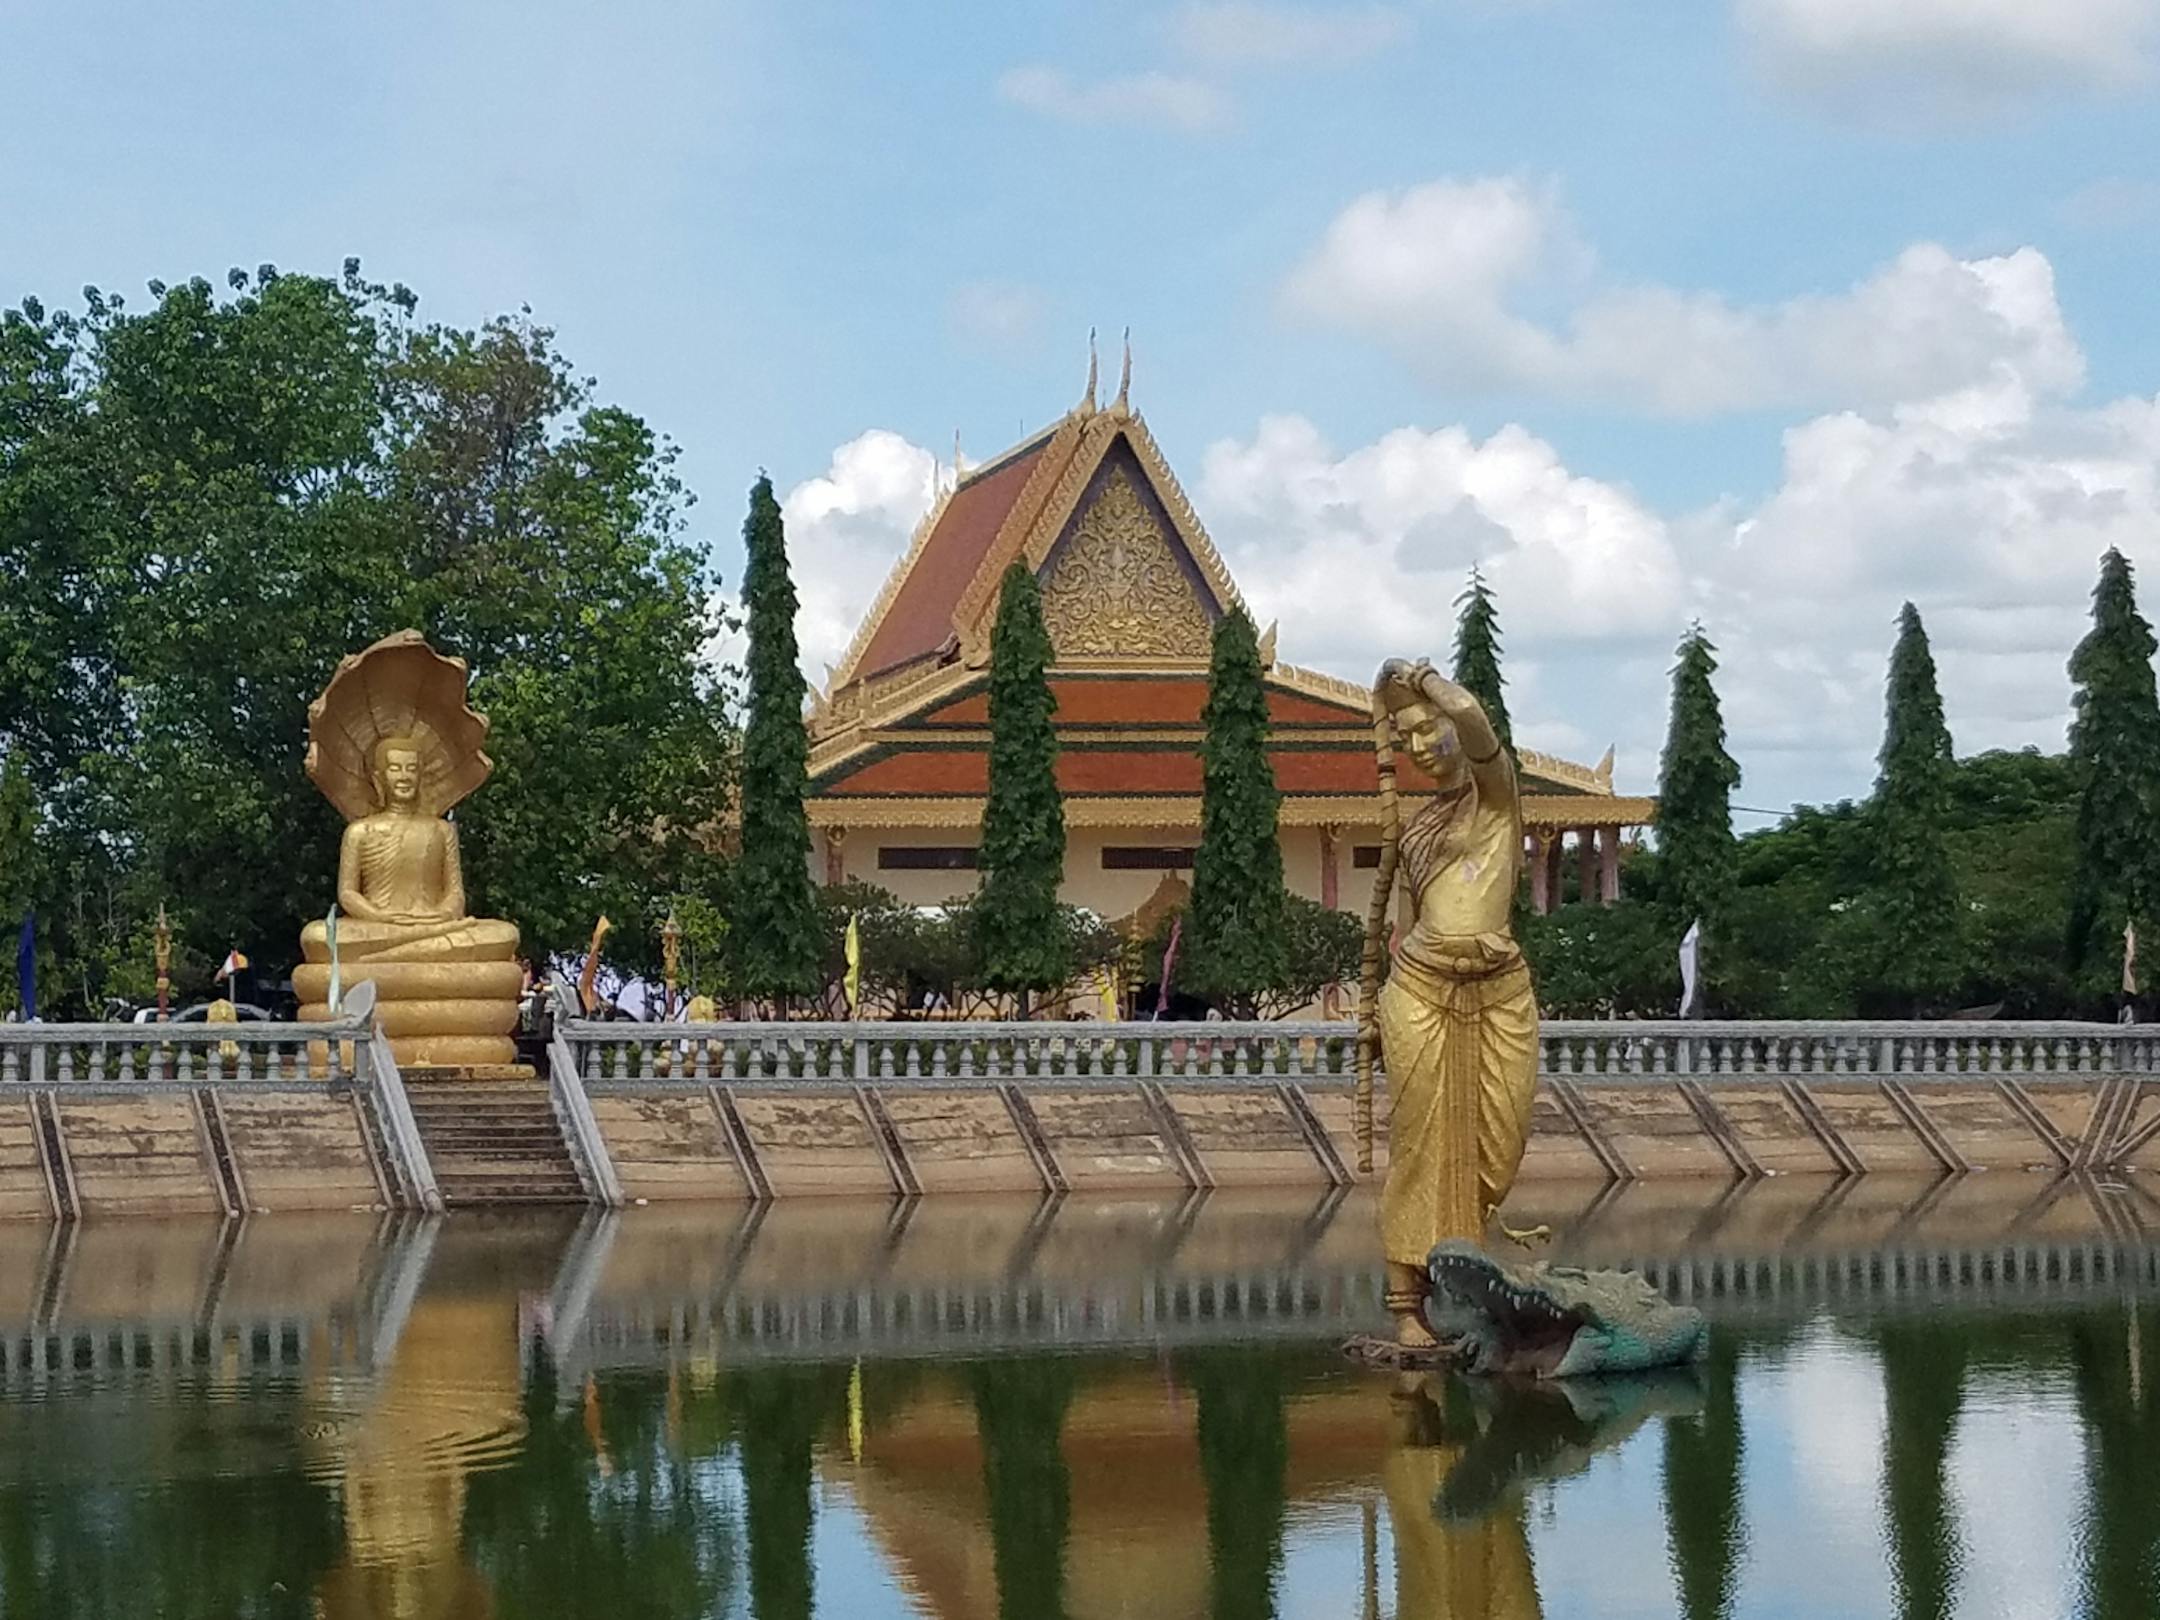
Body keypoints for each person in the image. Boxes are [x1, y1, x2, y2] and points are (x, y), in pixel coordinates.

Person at [1358, 658, 1542, 1349]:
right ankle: (1408, 1302)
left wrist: (1417, 680)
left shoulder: (1496, 798)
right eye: (1403, 737)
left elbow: (1470, 716)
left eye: (1428, 732)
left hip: (1499, 989)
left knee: (1499, 1142)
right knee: (1419, 1146)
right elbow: (1410, 916)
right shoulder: (1416, 826)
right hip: (1420, 988)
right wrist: (1378, 1009)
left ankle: (1466, 1263)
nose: (1418, 747)